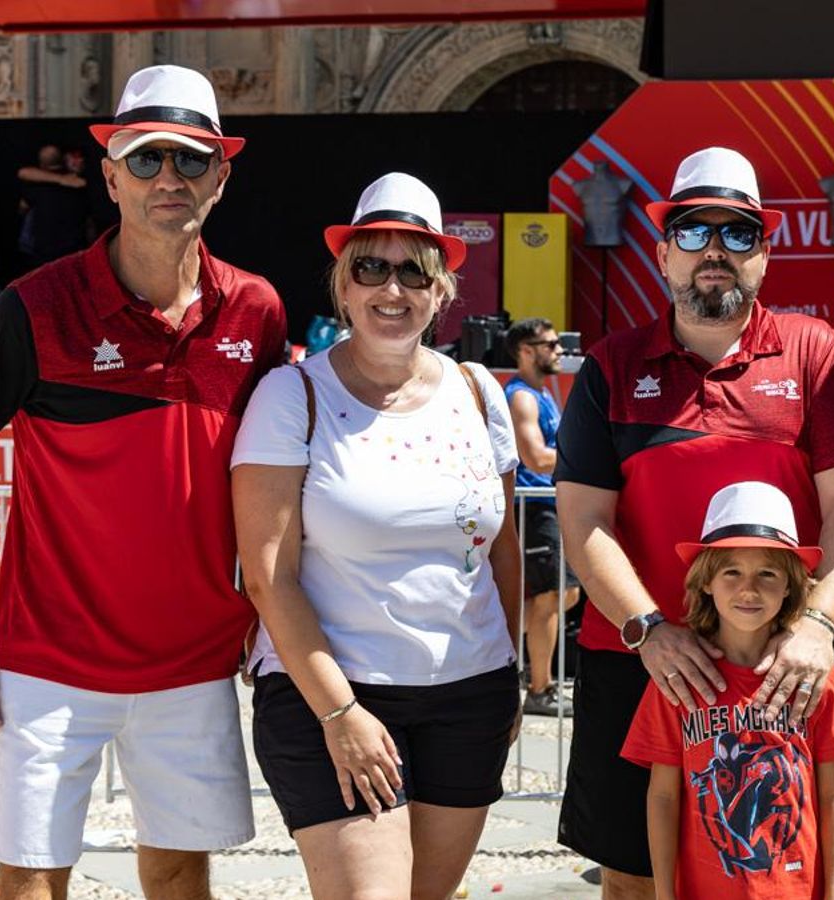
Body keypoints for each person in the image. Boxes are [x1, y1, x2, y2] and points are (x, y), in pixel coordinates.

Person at [0, 64, 283, 900]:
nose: (168, 179)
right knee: (31, 881)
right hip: (52, 665)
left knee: (182, 877)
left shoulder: (255, 311)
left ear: (221, 175)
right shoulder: (34, 308)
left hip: (194, 666)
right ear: (110, 175)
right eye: (146, 159)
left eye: (191, 160)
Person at [555, 146, 834, 900]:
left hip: (782, 666)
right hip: (640, 663)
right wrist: (649, 630)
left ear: (763, 255)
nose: (715, 252)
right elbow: (584, 522)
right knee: (637, 878)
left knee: (790, 872)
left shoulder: (812, 354)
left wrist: (816, 628)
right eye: (695, 233)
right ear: (664, 252)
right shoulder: (611, 364)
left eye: (737, 234)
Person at [231, 171, 523, 900]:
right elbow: (270, 575)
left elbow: (505, 552)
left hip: (467, 696)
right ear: (343, 284)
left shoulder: (481, 393)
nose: (392, 290)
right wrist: (340, 713)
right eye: (371, 267)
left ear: (442, 288)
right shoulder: (291, 394)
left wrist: (509, 674)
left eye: (414, 271)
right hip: (332, 690)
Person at [623, 481, 834, 900]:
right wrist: (664, 893)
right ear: (705, 582)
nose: (748, 589)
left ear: (791, 584)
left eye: (767, 573)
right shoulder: (677, 679)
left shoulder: (816, 678)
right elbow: (663, 796)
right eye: (731, 571)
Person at [503, 317, 582, 716]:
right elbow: (534, 455)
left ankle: (508, 658)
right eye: (549, 345)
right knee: (553, 595)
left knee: (561, 594)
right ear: (526, 351)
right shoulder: (522, 396)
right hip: (532, 506)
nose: (558, 351)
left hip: (545, 504)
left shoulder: (539, 393)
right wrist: (584, 458)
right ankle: (540, 687)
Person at [15, 143, 91, 272]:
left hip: (43, 251)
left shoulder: (37, 184)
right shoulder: (74, 180)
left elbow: (22, 208)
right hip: (73, 249)